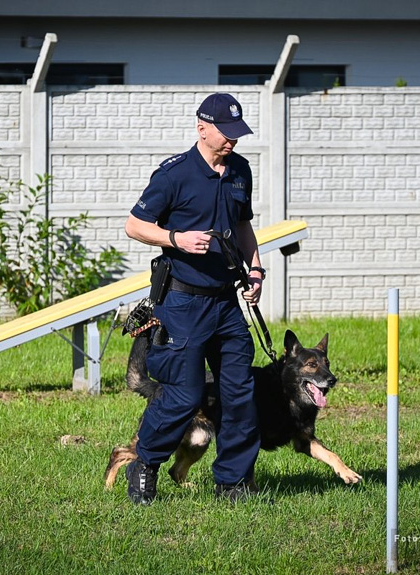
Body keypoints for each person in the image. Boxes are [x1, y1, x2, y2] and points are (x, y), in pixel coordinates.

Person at [124, 92, 266, 504]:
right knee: (183, 396)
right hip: (183, 304)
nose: (233, 142)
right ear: (202, 128)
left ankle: (232, 482)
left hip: (226, 303)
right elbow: (134, 225)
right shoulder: (174, 175)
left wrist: (254, 270)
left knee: (238, 394)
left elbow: (243, 228)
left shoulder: (240, 171)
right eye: (226, 133)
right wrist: (176, 239)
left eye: (238, 134)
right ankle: (145, 465)